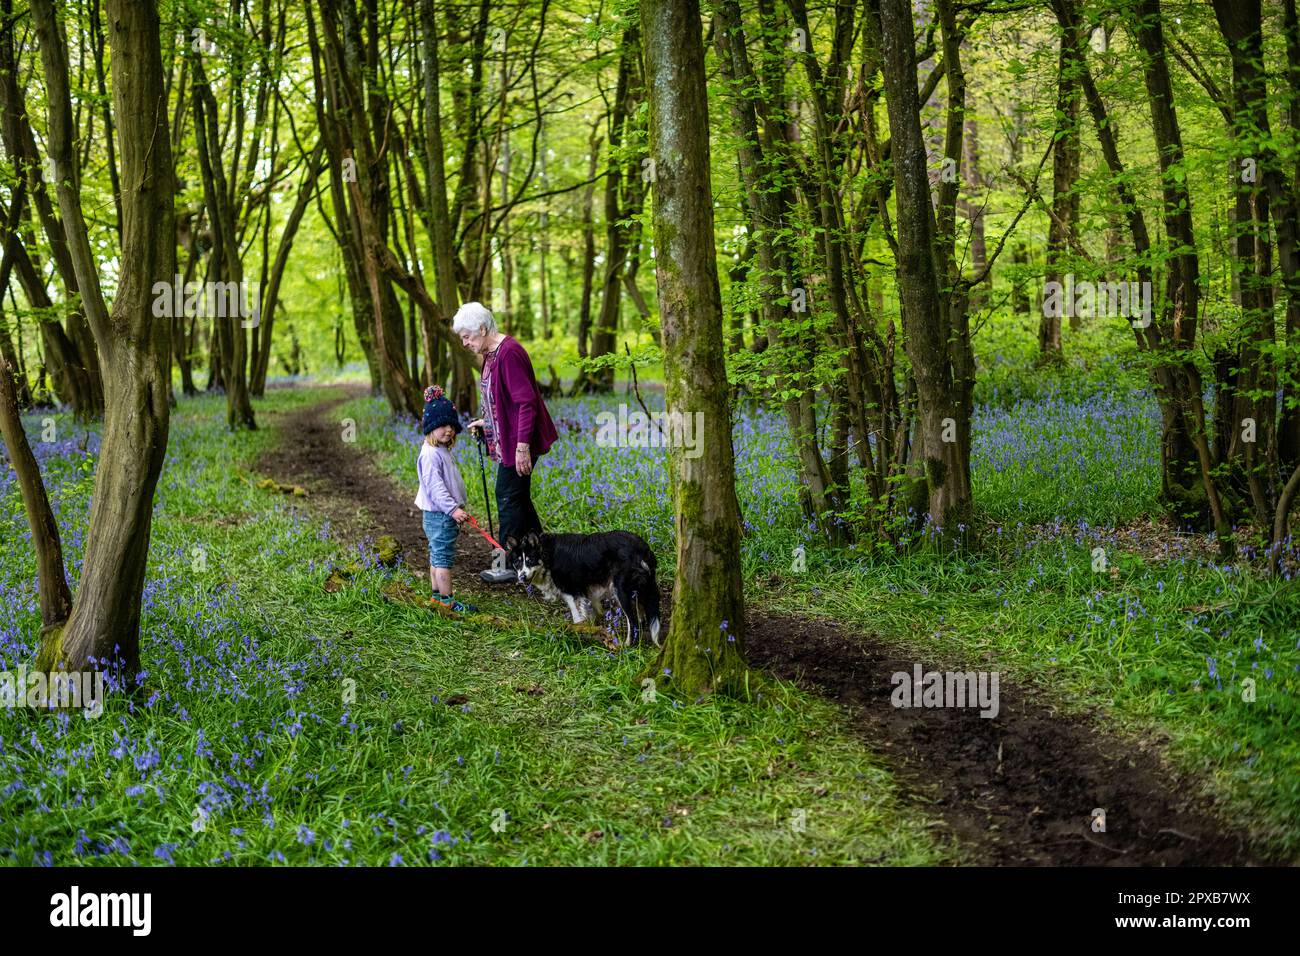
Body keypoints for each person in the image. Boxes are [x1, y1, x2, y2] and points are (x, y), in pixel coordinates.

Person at [453, 302, 557, 584]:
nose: (465, 342)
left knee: (508, 496)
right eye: (462, 337)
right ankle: (546, 552)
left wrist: (522, 446)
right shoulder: (491, 355)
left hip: (519, 442)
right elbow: (502, 402)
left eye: (468, 336)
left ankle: (508, 563)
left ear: (483, 329)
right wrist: (485, 423)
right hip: (510, 440)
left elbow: (526, 403)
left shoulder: (508, 353)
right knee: (517, 497)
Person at [415, 385, 477, 613]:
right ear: (430, 428)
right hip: (441, 515)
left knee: (436, 556)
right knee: (443, 560)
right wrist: (453, 510)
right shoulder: (430, 454)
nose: (449, 430)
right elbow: (436, 489)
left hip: (440, 515)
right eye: (442, 425)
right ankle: (447, 602)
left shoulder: (440, 449)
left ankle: (436, 597)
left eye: (451, 425)